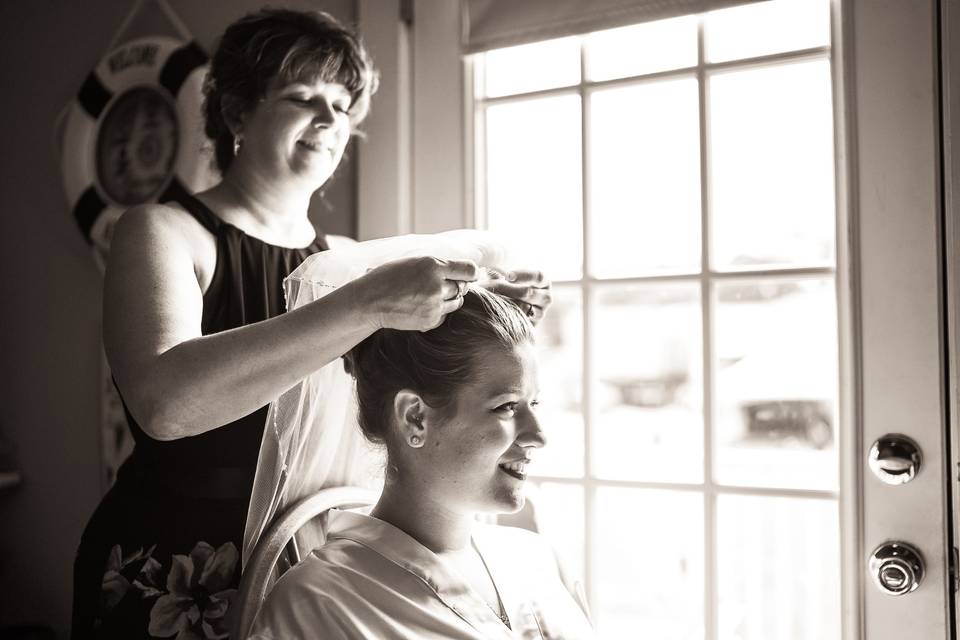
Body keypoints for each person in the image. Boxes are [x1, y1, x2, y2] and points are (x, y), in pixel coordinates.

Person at [71, 8, 550, 639]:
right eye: (303, 98)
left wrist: (484, 295)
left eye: (343, 105)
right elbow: (165, 406)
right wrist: (367, 303)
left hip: (312, 559)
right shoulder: (161, 232)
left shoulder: (349, 259)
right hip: (178, 568)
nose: (330, 121)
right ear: (238, 113)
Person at [248, 287, 594, 639]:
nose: (538, 436)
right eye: (506, 406)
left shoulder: (537, 557)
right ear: (415, 418)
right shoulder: (319, 604)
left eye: (533, 404)